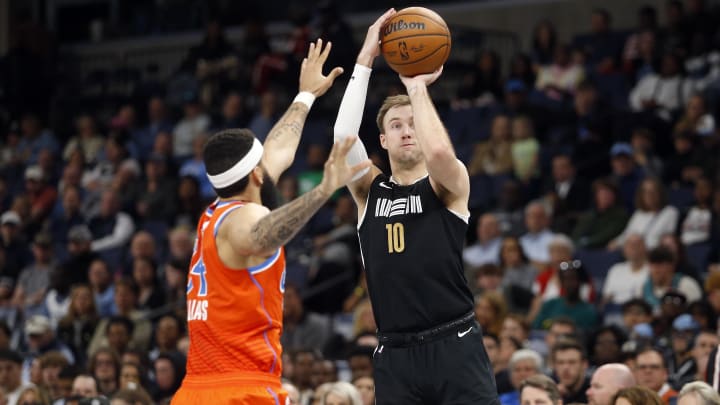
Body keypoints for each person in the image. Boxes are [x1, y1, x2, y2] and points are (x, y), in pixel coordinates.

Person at [171, 39, 366, 405]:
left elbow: (278, 148)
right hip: (241, 389)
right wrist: (323, 191)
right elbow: (261, 234)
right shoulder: (244, 218)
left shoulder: (216, 211)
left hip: (196, 387)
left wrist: (305, 96)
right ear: (257, 175)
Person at [332, 8, 499, 404]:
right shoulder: (369, 191)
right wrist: (365, 59)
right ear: (384, 141)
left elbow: (439, 149)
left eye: (412, 123)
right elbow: (342, 135)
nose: (407, 130)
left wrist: (417, 86)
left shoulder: (448, 184)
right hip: (395, 352)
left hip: (454, 341)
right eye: (395, 125)